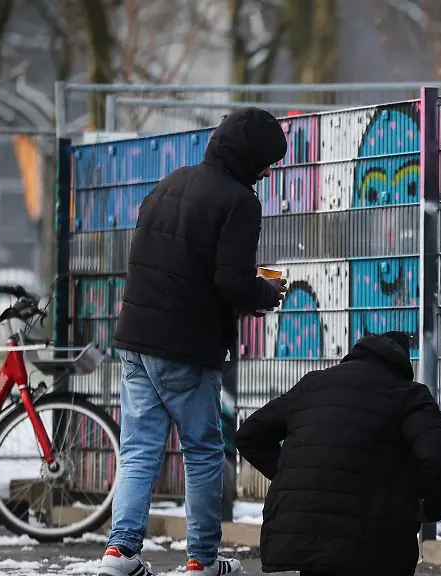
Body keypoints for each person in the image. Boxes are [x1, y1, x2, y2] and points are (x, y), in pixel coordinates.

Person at [99, 108, 290, 576]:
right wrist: (269, 293)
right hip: (186, 345)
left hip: (136, 336)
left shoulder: (168, 183)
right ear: (249, 159)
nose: (267, 173)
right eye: (267, 163)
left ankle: (120, 552)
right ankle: (202, 560)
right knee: (202, 450)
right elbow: (232, 283)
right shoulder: (240, 202)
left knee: (140, 448)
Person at [235, 331, 441, 576]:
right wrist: (433, 508)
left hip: (308, 533)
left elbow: (249, 435)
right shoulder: (408, 395)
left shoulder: (313, 384)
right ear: (402, 362)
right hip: (376, 542)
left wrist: (294, 475)